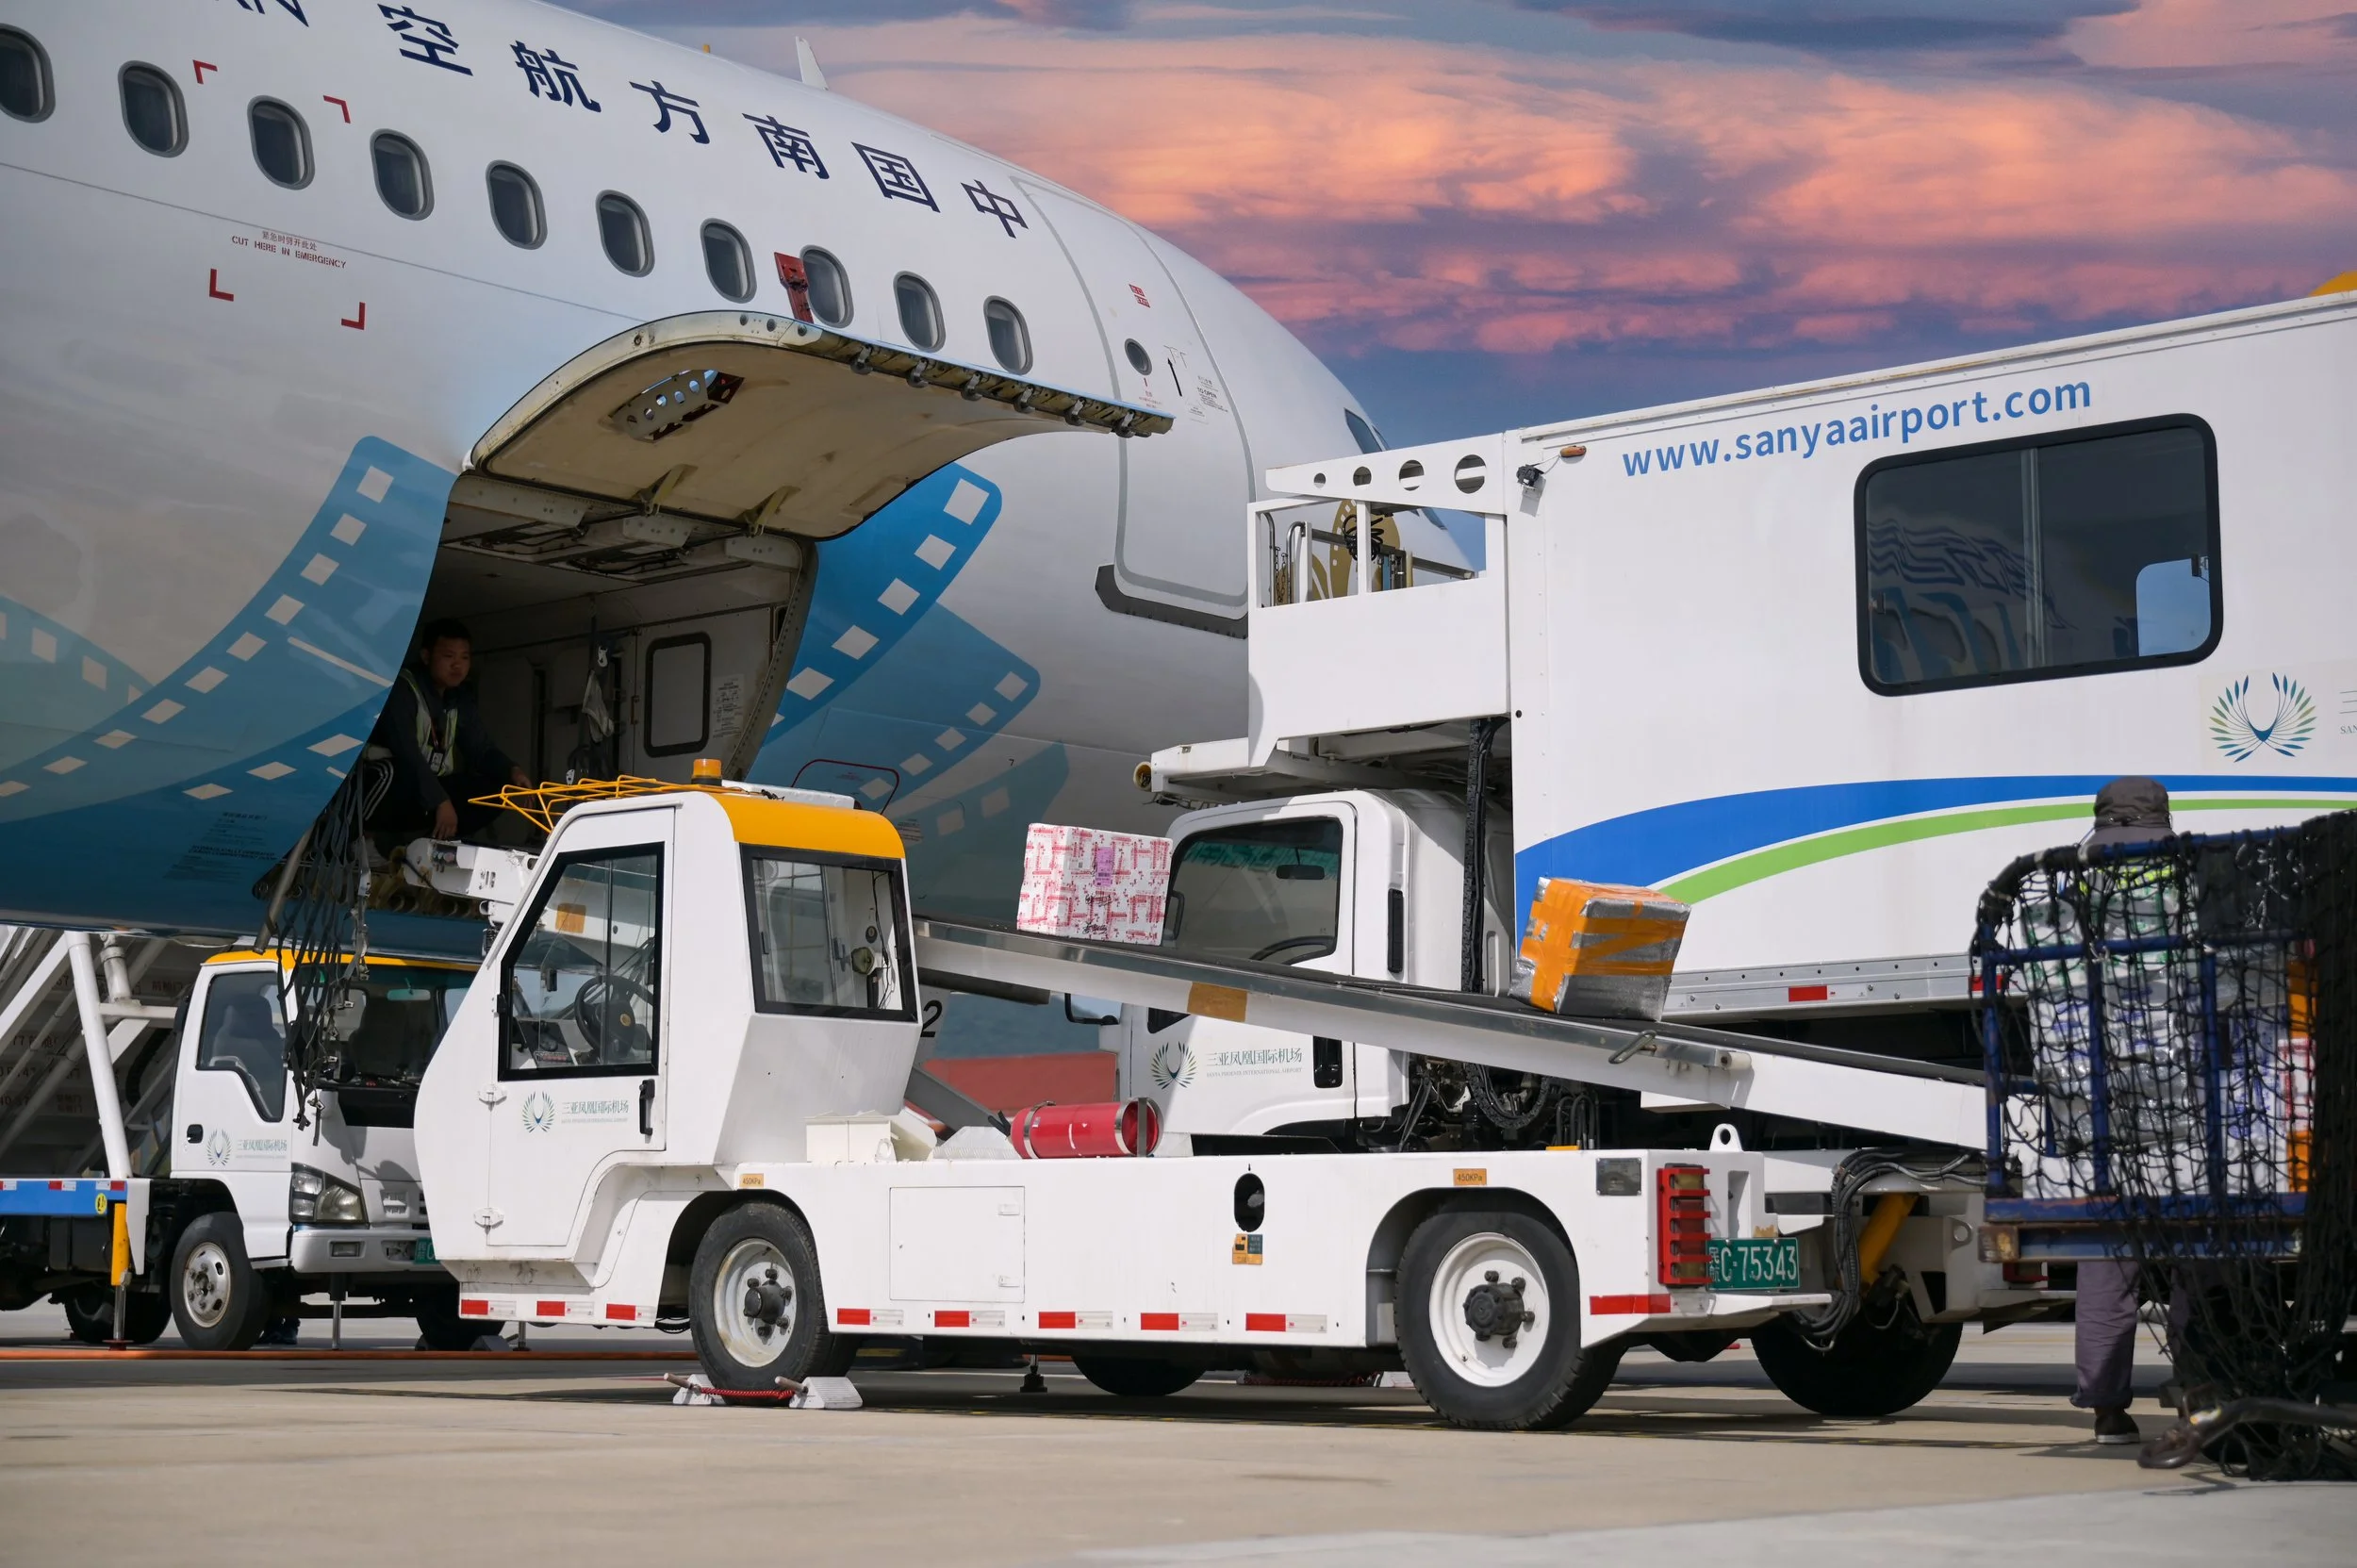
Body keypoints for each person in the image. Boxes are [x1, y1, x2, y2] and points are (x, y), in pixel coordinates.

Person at [2070, 775, 2173, 1444]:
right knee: (2199, 1244)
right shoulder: (2183, 873)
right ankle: (2204, 1385)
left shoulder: (2071, 884)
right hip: (2178, 1087)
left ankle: (2108, 1407)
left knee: (2110, 1251)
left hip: (2092, 1089)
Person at [366, 619, 529, 842]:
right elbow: (407, 753)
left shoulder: (458, 697)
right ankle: (367, 839)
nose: (457, 665)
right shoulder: (404, 689)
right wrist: (440, 800)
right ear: (426, 656)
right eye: (448, 656)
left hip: (426, 788)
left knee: (498, 791)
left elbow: (480, 749)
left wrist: (513, 771)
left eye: (464, 657)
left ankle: (435, 845)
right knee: (395, 772)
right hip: (387, 784)